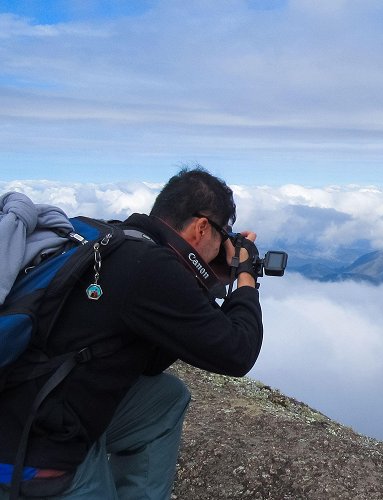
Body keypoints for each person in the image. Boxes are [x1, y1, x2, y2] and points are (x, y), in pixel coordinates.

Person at [0, 167, 264, 499]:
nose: (224, 244)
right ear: (201, 227)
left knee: (165, 399)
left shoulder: (115, 238)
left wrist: (208, 277)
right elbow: (238, 352)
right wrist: (245, 275)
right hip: (33, 448)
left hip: (25, 395)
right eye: (224, 234)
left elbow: (149, 361)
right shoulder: (152, 269)